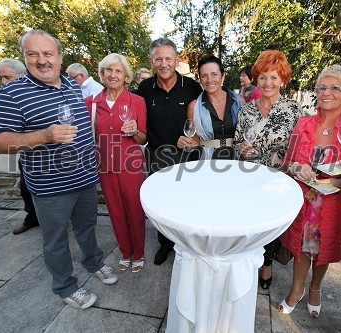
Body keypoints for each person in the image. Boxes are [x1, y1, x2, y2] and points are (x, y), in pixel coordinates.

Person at [0, 30, 118, 310]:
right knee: (56, 239)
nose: (41, 60)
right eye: (33, 54)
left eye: (48, 54)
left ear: (59, 56)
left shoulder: (71, 85)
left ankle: (93, 262)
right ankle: (65, 286)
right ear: (25, 58)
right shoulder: (11, 92)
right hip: (50, 187)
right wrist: (43, 136)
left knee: (87, 227)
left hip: (84, 178)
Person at [278, 65, 341, 317]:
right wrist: (297, 167)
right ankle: (297, 290)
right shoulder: (304, 123)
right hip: (305, 198)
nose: (326, 92)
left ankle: (315, 288)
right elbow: (286, 162)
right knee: (301, 247)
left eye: (335, 88)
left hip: (334, 201)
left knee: (323, 247)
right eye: (322, 87)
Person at [234, 49, 304, 290]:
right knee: (251, 222)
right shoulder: (246, 110)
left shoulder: (293, 110)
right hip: (250, 178)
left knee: (271, 225)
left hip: (279, 179)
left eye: (274, 77)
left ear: (283, 80)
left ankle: (266, 264)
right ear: (256, 80)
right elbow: (236, 142)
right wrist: (241, 150)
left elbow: (300, 147)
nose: (268, 83)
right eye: (263, 77)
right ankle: (249, 260)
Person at [135, 37, 202, 265]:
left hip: (186, 158)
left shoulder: (192, 87)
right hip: (156, 156)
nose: (164, 63)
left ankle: (186, 246)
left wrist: (193, 139)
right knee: (160, 205)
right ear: (151, 61)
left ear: (176, 60)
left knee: (187, 203)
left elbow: (202, 123)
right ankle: (165, 245)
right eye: (158, 59)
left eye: (168, 58)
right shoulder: (144, 89)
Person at [84, 53, 147, 273]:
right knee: (116, 212)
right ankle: (125, 252)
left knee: (135, 211)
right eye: (109, 70)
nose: (113, 75)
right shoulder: (91, 103)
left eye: (118, 71)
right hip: (105, 167)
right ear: (102, 73)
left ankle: (138, 252)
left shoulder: (137, 101)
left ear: (126, 76)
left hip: (131, 167)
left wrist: (136, 131)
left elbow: (143, 138)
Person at [0, 58, 40, 235]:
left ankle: (52, 222)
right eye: (2, 78)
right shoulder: (7, 95)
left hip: (45, 154)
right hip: (26, 153)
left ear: (21, 75)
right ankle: (32, 218)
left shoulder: (35, 92)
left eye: (7, 77)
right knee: (25, 188)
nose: (3, 82)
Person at [177, 55, 241, 159]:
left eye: (214, 74)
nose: (209, 80)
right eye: (204, 76)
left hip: (237, 159)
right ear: (200, 79)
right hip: (208, 161)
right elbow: (195, 140)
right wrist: (186, 142)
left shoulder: (238, 102)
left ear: (223, 76)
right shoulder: (194, 107)